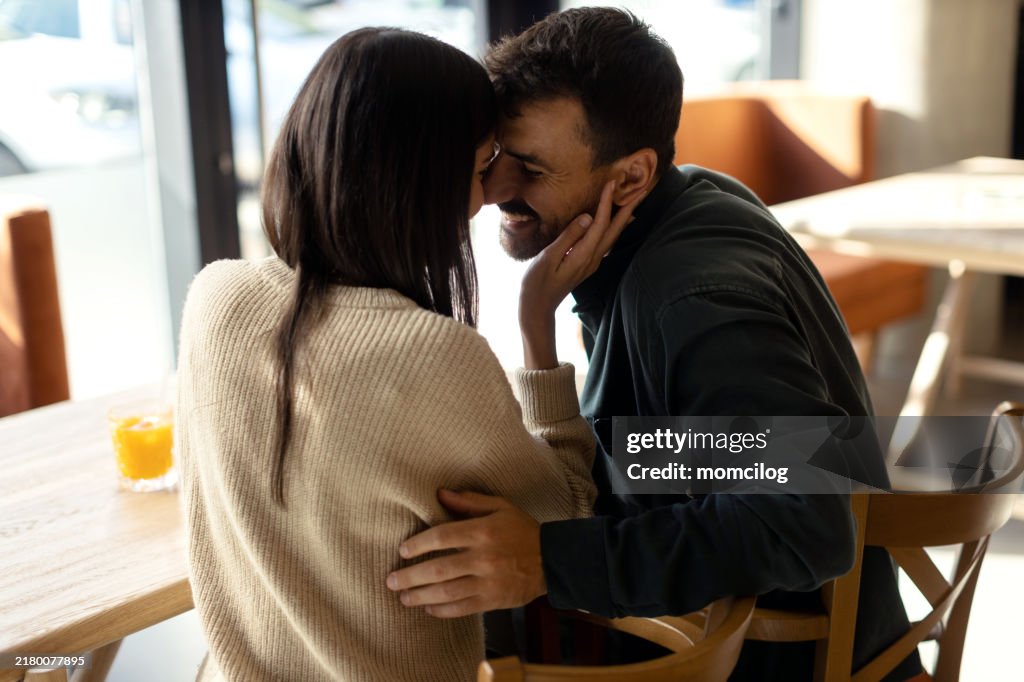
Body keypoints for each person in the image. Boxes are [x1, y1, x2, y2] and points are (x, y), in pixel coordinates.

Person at [386, 8, 923, 681]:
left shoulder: (692, 296)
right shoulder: (690, 202)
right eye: (494, 158)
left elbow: (804, 520)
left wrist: (545, 561)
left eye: (530, 168)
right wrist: (537, 326)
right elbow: (701, 453)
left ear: (633, 177)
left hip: (766, 655)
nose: (493, 191)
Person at [176, 27, 637, 682]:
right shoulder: (432, 357)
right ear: (419, 183)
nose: (488, 198)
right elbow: (567, 508)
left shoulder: (214, 297)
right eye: (480, 169)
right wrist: (537, 323)